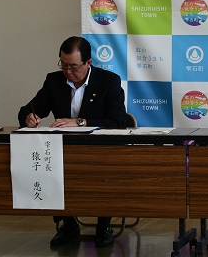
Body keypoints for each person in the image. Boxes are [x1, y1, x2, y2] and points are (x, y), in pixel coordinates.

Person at [18, 36, 132, 248]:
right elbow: (29, 109)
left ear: (88, 63)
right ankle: (68, 225)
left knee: (104, 172)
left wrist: (80, 122)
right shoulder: (54, 81)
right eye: (63, 65)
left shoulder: (108, 81)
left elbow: (118, 121)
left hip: (99, 150)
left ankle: (103, 225)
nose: (68, 72)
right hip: (64, 150)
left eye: (73, 67)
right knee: (48, 166)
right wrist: (28, 117)